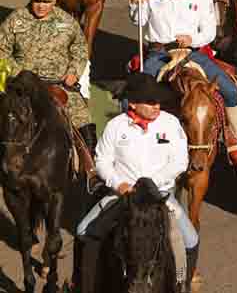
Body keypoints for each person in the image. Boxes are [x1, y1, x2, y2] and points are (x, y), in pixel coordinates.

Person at [73, 73, 197, 293]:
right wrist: (118, 183)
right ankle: (83, 285)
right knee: (83, 230)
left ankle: (181, 283)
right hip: (122, 195)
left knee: (189, 238)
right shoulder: (116, 126)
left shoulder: (171, 124)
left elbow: (180, 160)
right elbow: (102, 160)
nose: (156, 106)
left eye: (158, 101)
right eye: (150, 102)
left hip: (160, 196)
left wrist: (150, 183)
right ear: (133, 103)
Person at [129, 0, 237, 163]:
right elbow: (138, 21)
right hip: (160, 53)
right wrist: (137, 2)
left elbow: (210, 32)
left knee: (230, 90)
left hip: (191, 53)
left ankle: (233, 136)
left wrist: (193, 39)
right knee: (138, 92)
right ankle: (134, 136)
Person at [0, 0, 95, 151]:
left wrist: (74, 72)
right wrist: (17, 72)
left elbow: (80, 49)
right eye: (37, 0)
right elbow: (1, 51)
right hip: (22, 86)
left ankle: (91, 172)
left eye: (46, 1)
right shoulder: (16, 19)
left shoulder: (67, 22)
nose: (41, 6)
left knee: (84, 121)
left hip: (58, 86)